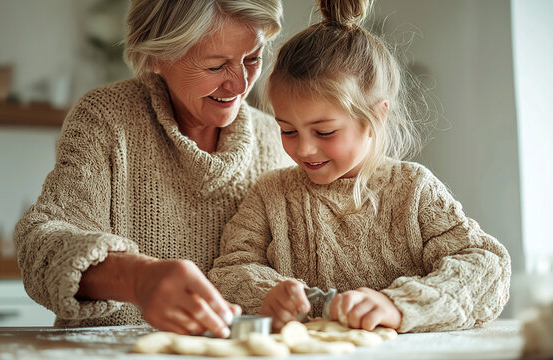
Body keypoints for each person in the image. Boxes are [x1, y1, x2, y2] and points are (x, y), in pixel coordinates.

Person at [208, 0, 511, 333]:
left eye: (324, 131)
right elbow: (230, 271)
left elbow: (487, 268)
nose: (304, 148)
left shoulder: (414, 190)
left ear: (376, 116)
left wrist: (399, 305)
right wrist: (267, 294)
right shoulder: (270, 195)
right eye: (288, 130)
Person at [14, 0, 292, 338]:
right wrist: (137, 278)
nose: (240, 84)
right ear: (159, 57)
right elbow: (39, 245)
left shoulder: (280, 142)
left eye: (252, 59)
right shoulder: (106, 120)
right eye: (216, 66)